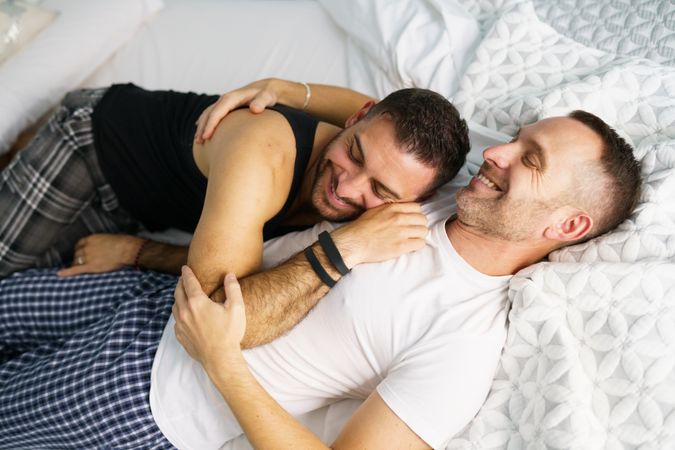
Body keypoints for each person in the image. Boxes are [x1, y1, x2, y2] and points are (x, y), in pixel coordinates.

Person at [0, 79, 641, 448]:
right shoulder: (450, 186)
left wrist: (225, 366)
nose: (498, 152)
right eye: (519, 138)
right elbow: (382, 117)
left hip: (150, 396)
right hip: (150, 296)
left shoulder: (464, 339)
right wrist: (285, 89)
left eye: (530, 159)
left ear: (568, 226)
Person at [0, 82, 470, 301]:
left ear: (415, 201)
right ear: (353, 122)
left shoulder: (379, 141)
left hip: (141, 206)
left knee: (23, 296)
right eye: (354, 154)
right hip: (94, 150)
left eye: (380, 190)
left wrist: (291, 88)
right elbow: (215, 298)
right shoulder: (262, 153)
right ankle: (35, 137)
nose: (346, 185)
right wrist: (136, 252)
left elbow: (368, 113)